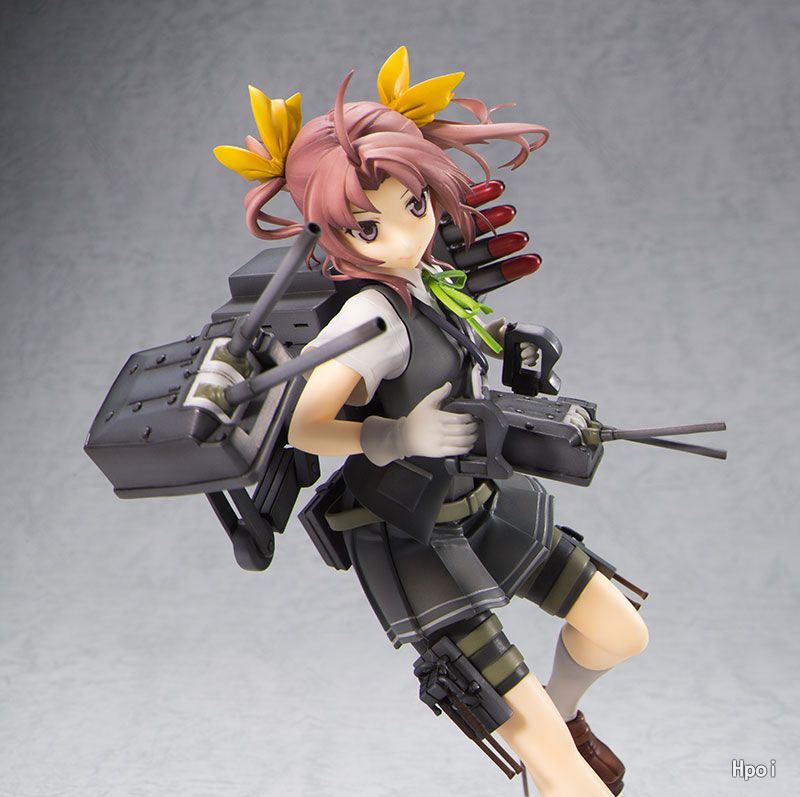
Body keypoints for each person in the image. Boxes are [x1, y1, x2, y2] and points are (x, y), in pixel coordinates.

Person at [215, 47, 648, 797]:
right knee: (564, 772)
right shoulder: (370, 318)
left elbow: (463, 332)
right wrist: (393, 435)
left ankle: (559, 720)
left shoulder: (428, 277)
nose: (405, 234)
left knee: (619, 631)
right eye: (369, 226)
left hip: (480, 499)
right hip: (413, 533)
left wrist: (513, 348)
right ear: (332, 232)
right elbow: (305, 424)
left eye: (414, 206)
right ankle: (554, 757)